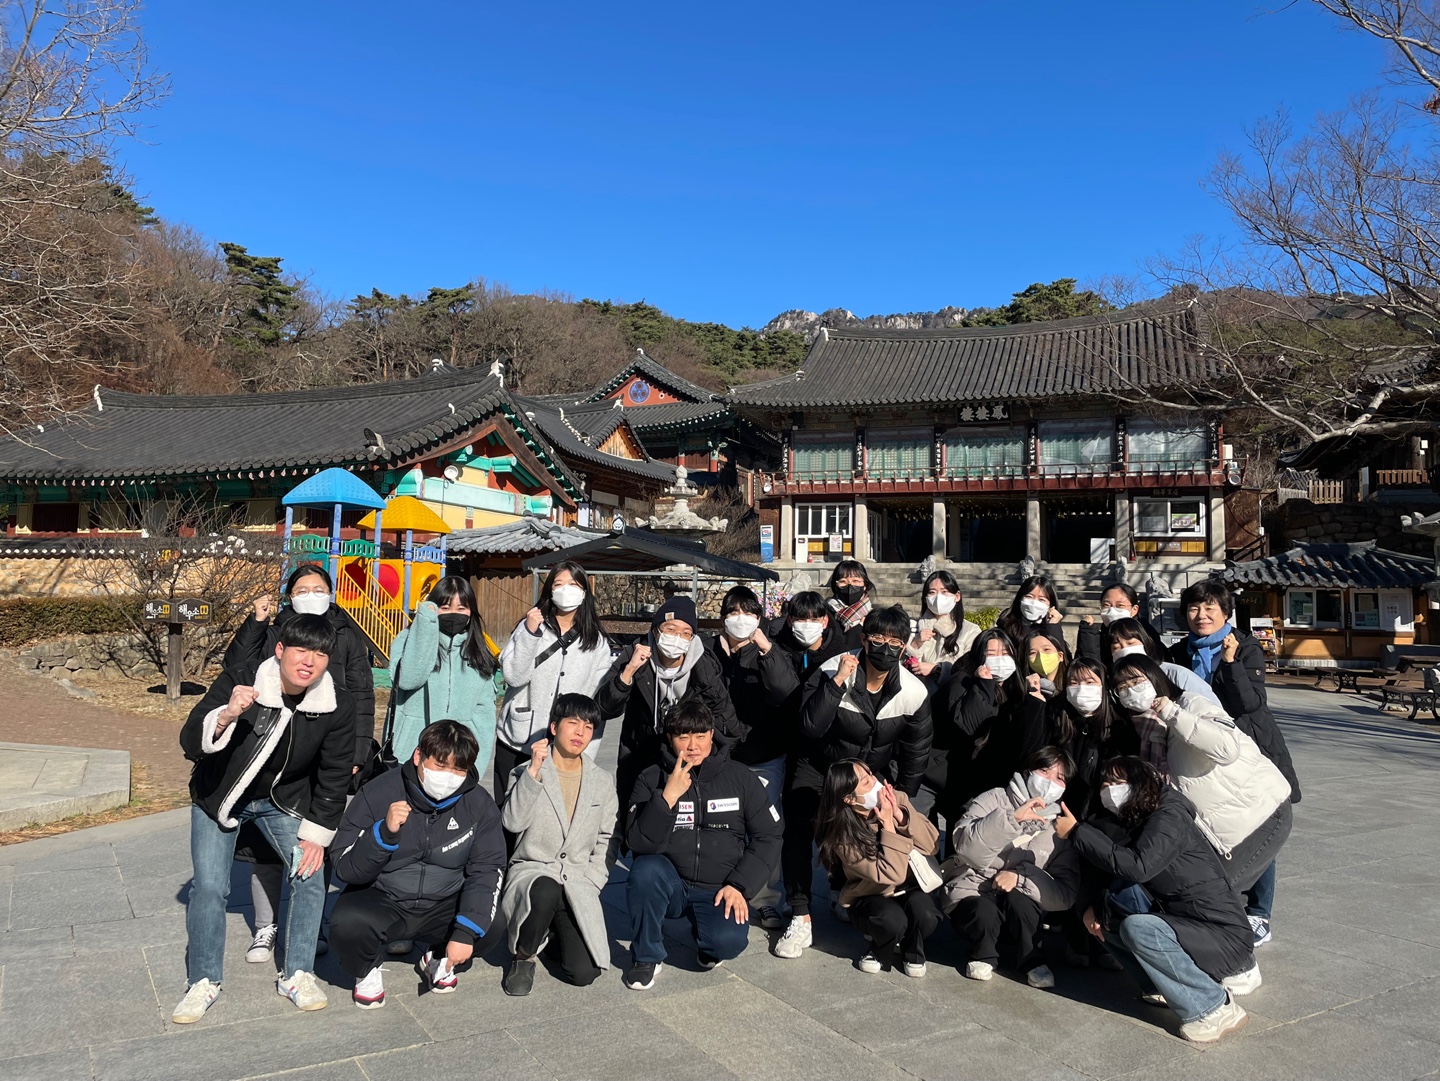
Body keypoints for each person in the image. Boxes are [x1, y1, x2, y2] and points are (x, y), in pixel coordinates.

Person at [172, 615, 358, 1023]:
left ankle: (298, 974)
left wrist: (316, 837)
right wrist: (226, 715)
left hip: (282, 801)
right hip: (219, 796)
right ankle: (203, 980)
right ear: (280, 650)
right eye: (301, 650)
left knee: (310, 872)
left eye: (320, 653)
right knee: (209, 888)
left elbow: (334, 774)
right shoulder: (243, 679)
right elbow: (190, 742)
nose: (309, 661)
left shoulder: (336, 702)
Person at [223, 563, 377, 967]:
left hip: (326, 752)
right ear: (290, 596)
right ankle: (266, 925)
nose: (311, 595)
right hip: (272, 754)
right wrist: (256, 623)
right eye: (302, 589)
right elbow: (236, 665)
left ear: (331, 593)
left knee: (314, 841)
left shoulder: (346, 633)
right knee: (263, 849)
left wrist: (358, 752)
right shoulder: (277, 631)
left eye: (318, 588)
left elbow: (362, 695)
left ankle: (312, 924)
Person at [1056, 757, 1258, 1044]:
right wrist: (1091, 907)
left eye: (1118, 782)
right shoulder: (1135, 816)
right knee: (1108, 917)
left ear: (1142, 782)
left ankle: (1214, 1007)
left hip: (1224, 937)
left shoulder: (1169, 815)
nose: (1110, 790)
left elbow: (1139, 866)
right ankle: (1163, 986)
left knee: (1139, 929)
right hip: (1186, 923)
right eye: (1105, 784)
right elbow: (1109, 867)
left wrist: (1077, 832)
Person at [774, 605, 933, 960]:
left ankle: (845, 888)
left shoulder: (912, 691)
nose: (886, 647)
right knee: (800, 829)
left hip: (867, 772)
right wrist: (836, 684)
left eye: (895, 642)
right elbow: (810, 725)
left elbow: (916, 749)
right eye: (877, 638)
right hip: (818, 766)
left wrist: (901, 797)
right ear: (863, 639)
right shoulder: (833, 668)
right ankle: (800, 913)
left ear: (904, 647)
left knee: (868, 830)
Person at [328, 720, 506, 1008]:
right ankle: (367, 968)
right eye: (440, 765)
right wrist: (382, 835)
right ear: (418, 756)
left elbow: (488, 868)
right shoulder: (379, 792)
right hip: (385, 896)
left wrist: (465, 932)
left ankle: (438, 958)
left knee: (491, 924)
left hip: (444, 901)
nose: (448, 777)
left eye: (458, 770)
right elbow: (344, 866)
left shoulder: (479, 804)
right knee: (347, 924)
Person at [1165, 579, 1301, 947]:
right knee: (1216, 830)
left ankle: (1259, 913)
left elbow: (1250, 703)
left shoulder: (1245, 647)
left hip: (1247, 750)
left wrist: (1229, 664)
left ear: (1226, 612)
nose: (1201, 615)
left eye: (1210, 608)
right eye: (1194, 608)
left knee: (1258, 824)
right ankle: (1227, 904)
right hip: (1202, 753)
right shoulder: (1178, 653)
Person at [1111, 655, 1292, 920]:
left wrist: (1172, 713)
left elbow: (1227, 749)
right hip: (1216, 829)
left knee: (1212, 899)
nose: (1131, 690)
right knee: (1198, 897)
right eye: (1122, 687)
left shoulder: (1191, 704)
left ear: (1155, 677)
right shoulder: (1144, 730)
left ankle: (1245, 934)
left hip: (1260, 813)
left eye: (1136, 680)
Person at [623, 701, 782, 990]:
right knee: (645, 870)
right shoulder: (651, 777)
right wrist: (667, 798)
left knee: (727, 943)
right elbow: (638, 842)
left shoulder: (740, 777)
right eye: (683, 737)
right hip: (672, 882)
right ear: (670, 738)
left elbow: (768, 836)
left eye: (700, 736)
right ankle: (646, 956)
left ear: (711, 734)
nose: (693, 746)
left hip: (719, 887)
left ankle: (706, 935)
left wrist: (740, 885)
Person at [499, 694, 618, 995]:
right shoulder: (526, 772)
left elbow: (607, 837)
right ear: (554, 727)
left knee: (584, 973)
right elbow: (512, 822)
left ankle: (548, 933)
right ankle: (524, 955)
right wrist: (533, 773)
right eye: (573, 723)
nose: (580, 732)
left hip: (577, 880)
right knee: (545, 889)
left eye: (588, 727)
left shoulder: (602, 781)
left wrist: (593, 880)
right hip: (534, 874)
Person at [596, 595, 740, 833]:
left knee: (681, 829)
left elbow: (728, 722)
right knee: (635, 826)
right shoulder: (635, 655)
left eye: (686, 633)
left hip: (685, 761)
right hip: (639, 755)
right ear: (656, 631)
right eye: (670, 630)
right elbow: (604, 708)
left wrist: (710, 763)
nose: (677, 638)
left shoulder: (704, 665)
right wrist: (629, 671)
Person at [945, 746, 1082, 988]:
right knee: (982, 911)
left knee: (1022, 902)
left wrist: (1020, 878)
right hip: (973, 890)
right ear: (1028, 771)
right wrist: (1012, 819)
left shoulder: (1059, 827)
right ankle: (983, 954)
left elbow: (1066, 893)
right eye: (1044, 771)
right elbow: (966, 848)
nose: (1050, 781)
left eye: (1059, 778)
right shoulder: (993, 798)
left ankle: (1032, 959)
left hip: (1017, 906)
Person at [706, 585, 796, 930]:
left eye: (748, 612)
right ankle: (719, 889)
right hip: (718, 755)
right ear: (722, 617)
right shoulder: (708, 651)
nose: (740, 619)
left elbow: (786, 691)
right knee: (720, 826)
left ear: (759, 618)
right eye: (733, 612)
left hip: (763, 755)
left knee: (765, 827)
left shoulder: (770, 651)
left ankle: (765, 898)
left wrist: (766, 649)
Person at [495, 561, 614, 797]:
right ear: (549, 590)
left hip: (565, 750)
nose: (566, 590)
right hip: (518, 739)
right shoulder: (529, 627)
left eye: (573, 584)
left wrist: (586, 752)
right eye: (559, 584)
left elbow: (593, 705)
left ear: (584, 592)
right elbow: (514, 676)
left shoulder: (596, 642)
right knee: (508, 807)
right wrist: (530, 633)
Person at [815, 759, 943, 976]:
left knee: (927, 914)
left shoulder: (896, 799)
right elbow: (890, 874)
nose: (875, 783)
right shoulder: (843, 835)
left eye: (871, 775)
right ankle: (879, 948)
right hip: (871, 894)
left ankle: (913, 949)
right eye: (866, 783)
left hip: (910, 886)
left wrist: (899, 814)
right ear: (849, 798)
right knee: (891, 920)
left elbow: (932, 844)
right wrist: (889, 828)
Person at [388, 576, 500, 767]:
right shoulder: (407, 640)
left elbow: (484, 714)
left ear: (471, 612)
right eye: (445, 608)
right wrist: (425, 625)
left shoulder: (479, 650)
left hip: (458, 758)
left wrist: (477, 763)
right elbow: (408, 680)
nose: (454, 614)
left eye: (461, 608)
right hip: (410, 754)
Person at [940, 628, 1046, 821]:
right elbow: (971, 725)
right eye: (991, 654)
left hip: (997, 778)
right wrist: (984, 684)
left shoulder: (1016, 686)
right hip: (962, 778)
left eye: (1005, 653)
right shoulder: (962, 681)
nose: (1000, 660)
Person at [1102, 617, 1222, 708]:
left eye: (1130, 643)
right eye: (1116, 647)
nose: (1124, 650)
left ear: (1144, 642)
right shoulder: (1114, 685)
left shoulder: (1177, 674)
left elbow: (1213, 711)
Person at [906, 571, 981, 686]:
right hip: (918, 692)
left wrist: (937, 669)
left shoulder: (971, 630)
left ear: (957, 596)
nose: (938, 597)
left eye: (944, 592)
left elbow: (970, 669)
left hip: (952, 693)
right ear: (925, 598)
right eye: (932, 592)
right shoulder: (913, 627)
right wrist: (915, 644)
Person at [1076, 582, 1160, 663]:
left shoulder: (1147, 634)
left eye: (1120, 606)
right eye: (1106, 605)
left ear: (1134, 609)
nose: (1112, 610)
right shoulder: (1099, 636)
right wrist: (1088, 635)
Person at [996, 575, 1064, 646]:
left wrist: (1053, 627)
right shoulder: (1006, 625)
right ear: (1020, 598)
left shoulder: (1052, 627)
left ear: (1051, 606)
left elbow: (1059, 651)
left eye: (1042, 599)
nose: (1034, 603)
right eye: (1029, 597)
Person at [825, 559, 874, 645]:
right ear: (835, 586)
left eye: (855, 581)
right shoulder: (825, 614)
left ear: (865, 585)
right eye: (843, 581)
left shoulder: (873, 617)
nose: (850, 585)